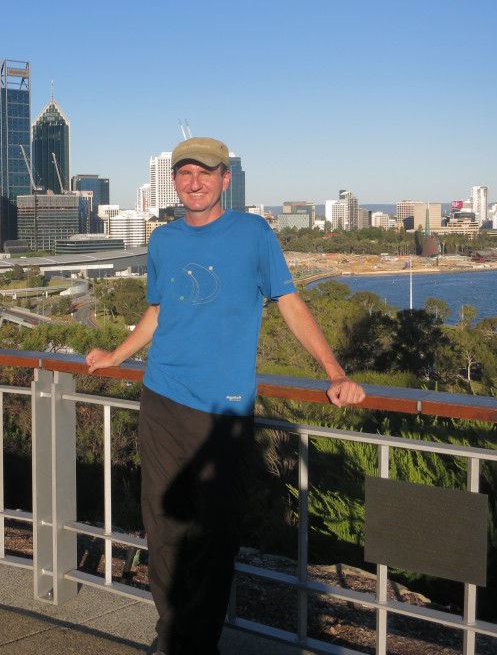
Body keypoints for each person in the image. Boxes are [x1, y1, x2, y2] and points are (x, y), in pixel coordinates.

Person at [86, 137, 365, 655]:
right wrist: (117, 356)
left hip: (222, 412)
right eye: (184, 173)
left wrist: (334, 372)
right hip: (162, 398)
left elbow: (290, 303)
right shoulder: (163, 240)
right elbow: (158, 312)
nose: (194, 182)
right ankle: (172, 635)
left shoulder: (254, 233)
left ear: (225, 180)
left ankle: (195, 644)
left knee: (213, 540)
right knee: (163, 529)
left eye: (205, 173)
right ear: (172, 181)